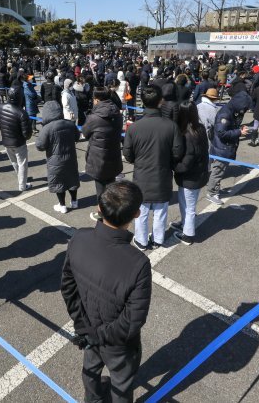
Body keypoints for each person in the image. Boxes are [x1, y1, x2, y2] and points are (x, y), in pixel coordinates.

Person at [61, 180, 151, 403]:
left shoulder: (79, 237)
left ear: (99, 209)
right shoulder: (138, 263)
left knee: (90, 369)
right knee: (121, 383)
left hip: (88, 327)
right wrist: (98, 334)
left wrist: (83, 326)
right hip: (118, 342)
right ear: (137, 214)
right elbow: (132, 321)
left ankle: (92, 400)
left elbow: (68, 287)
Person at [123, 85, 183, 250]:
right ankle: (158, 239)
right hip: (162, 175)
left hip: (141, 176)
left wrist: (140, 160)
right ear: (161, 101)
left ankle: (142, 241)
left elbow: (127, 154)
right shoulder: (171, 126)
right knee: (160, 212)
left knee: (141, 213)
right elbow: (178, 153)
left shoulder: (134, 127)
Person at [81, 87, 124, 221]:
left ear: (97, 99)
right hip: (114, 153)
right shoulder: (117, 113)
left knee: (100, 189)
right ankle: (111, 209)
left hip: (98, 157)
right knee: (110, 185)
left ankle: (103, 214)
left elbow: (85, 133)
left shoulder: (94, 117)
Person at [170, 102, 210, 245]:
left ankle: (188, 235)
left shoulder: (187, 134)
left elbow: (187, 162)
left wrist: (174, 167)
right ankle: (183, 223)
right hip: (198, 175)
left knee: (189, 206)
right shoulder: (200, 128)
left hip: (190, 177)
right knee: (184, 203)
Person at [206, 91, 252, 204]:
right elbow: (222, 132)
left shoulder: (232, 110)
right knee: (217, 171)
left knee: (220, 170)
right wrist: (239, 132)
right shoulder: (225, 114)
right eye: (244, 108)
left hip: (225, 147)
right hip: (222, 148)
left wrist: (239, 128)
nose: (245, 110)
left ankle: (215, 189)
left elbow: (229, 127)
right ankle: (211, 193)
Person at [36, 101, 80, 213]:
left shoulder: (47, 128)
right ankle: (74, 202)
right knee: (72, 179)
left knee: (59, 182)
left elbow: (40, 146)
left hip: (55, 161)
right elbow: (77, 137)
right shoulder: (70, 124)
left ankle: (62, 205)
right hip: (71, 158)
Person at [0, 87, 33, 190]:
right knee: (22, 164)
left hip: (6, 140)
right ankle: (22, 185)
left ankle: (21, 179)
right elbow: (27, 134)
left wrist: (6, 132)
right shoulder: (21, 113)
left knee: (15, 162)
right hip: (18, 142)